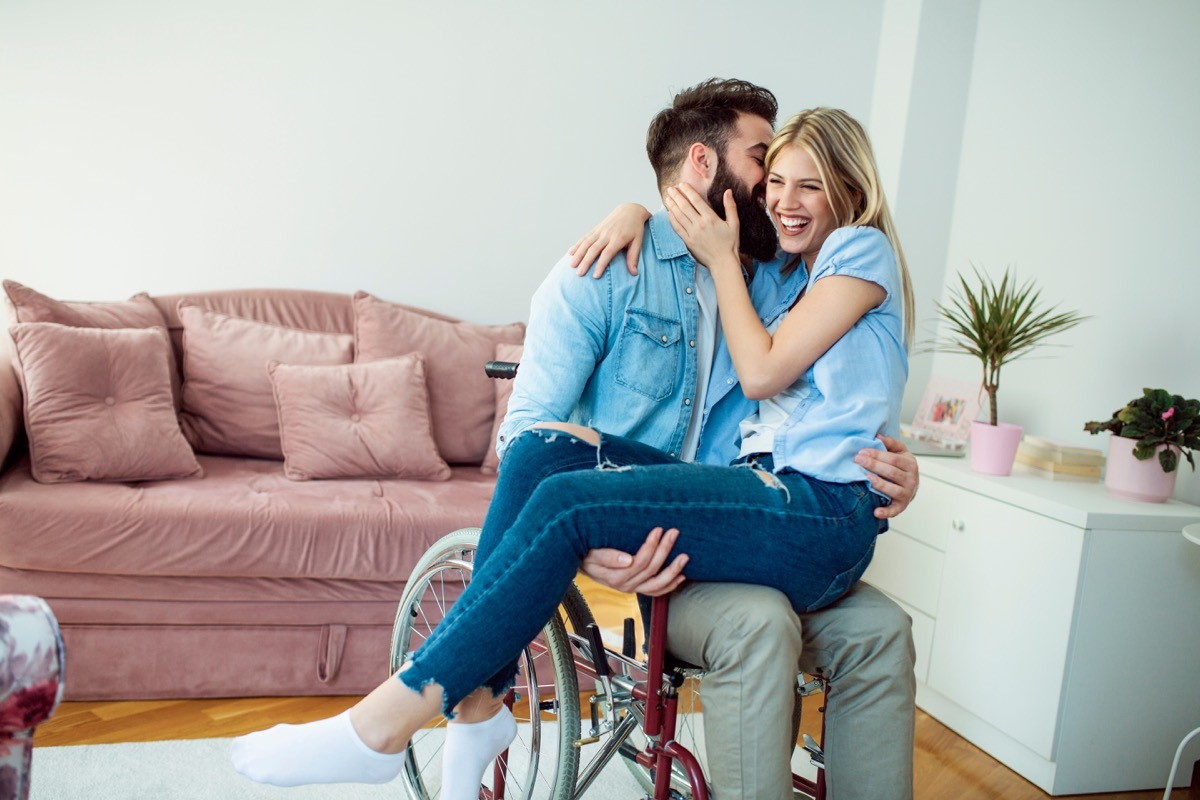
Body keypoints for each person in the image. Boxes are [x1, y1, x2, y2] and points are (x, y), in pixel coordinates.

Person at [231, 85, 916, 799]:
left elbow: (826, 377)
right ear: (705, 166)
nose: (777, 194)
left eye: (797, 180)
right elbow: (523, 432)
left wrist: (903, 465)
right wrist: (639, 217)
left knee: (571, 503)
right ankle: (475, 700)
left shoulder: (776, 273)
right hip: (664, 526)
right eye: (766, 169)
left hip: (761, 507)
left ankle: (388, 723)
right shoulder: (603, 270)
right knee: (546, 457)